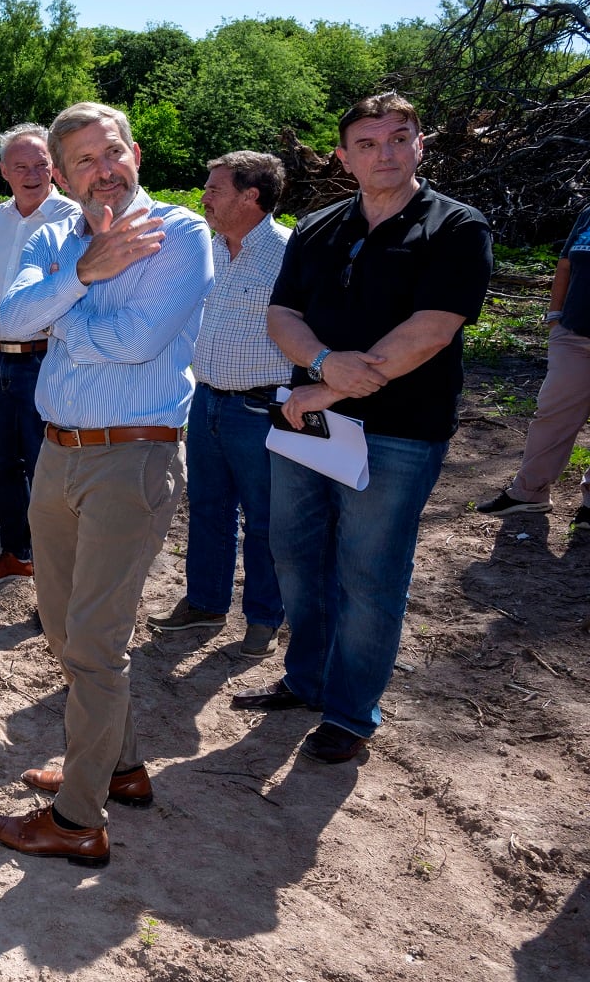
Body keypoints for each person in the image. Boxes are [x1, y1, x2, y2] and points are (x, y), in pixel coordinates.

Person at [0, 101, 214, 867]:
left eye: (111, 153)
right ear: (64, 174)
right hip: (58, 453)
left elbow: (137, 343)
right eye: (84, 162)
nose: (103, 170)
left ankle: (78, 821)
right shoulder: (54, 235)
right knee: (64, 630)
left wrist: (63, 306)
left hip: (131, 459)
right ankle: (119, 766)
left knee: (98, 646)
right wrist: (84, 272)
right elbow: (10, 318)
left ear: (133, 151)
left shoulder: (180, 233)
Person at [235, 93, 492, 765]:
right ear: (344, 157)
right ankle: (306, 680)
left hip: (399, 434)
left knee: (368, 575)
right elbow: (281, 318)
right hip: (309, 426)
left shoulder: (456, 228)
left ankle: (350, 714)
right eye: (369, 143)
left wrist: (329, 383)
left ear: (420, 144)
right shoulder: (320, 226)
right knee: (293, 553)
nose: (386, 153)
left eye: (399, 138)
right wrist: (321, 364)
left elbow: (431, 331)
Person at [146, 151, 290, 659]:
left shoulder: (290, 254)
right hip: (204, 400)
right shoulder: (207, 249)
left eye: (215, 189)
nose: (203, 198)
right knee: (208, 509)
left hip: (261, 409)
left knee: (266, 518)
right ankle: (205, 603)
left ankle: (264, 618)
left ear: (251, 197)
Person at [0, 124, 80, 585]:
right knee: (1, 463)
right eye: (21, 166)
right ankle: (17, 552)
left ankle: (56, 569)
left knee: (46, 466)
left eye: (40, 165)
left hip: (43, 360)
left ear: (54, 167)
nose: (32, 174)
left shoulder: (73, 219)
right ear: (4, 172)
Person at [476, 197, 590, 525]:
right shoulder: (588, 212)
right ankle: (529, 493)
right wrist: (556, 317)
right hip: (573, 334)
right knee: (551, 415)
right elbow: (566, 264)